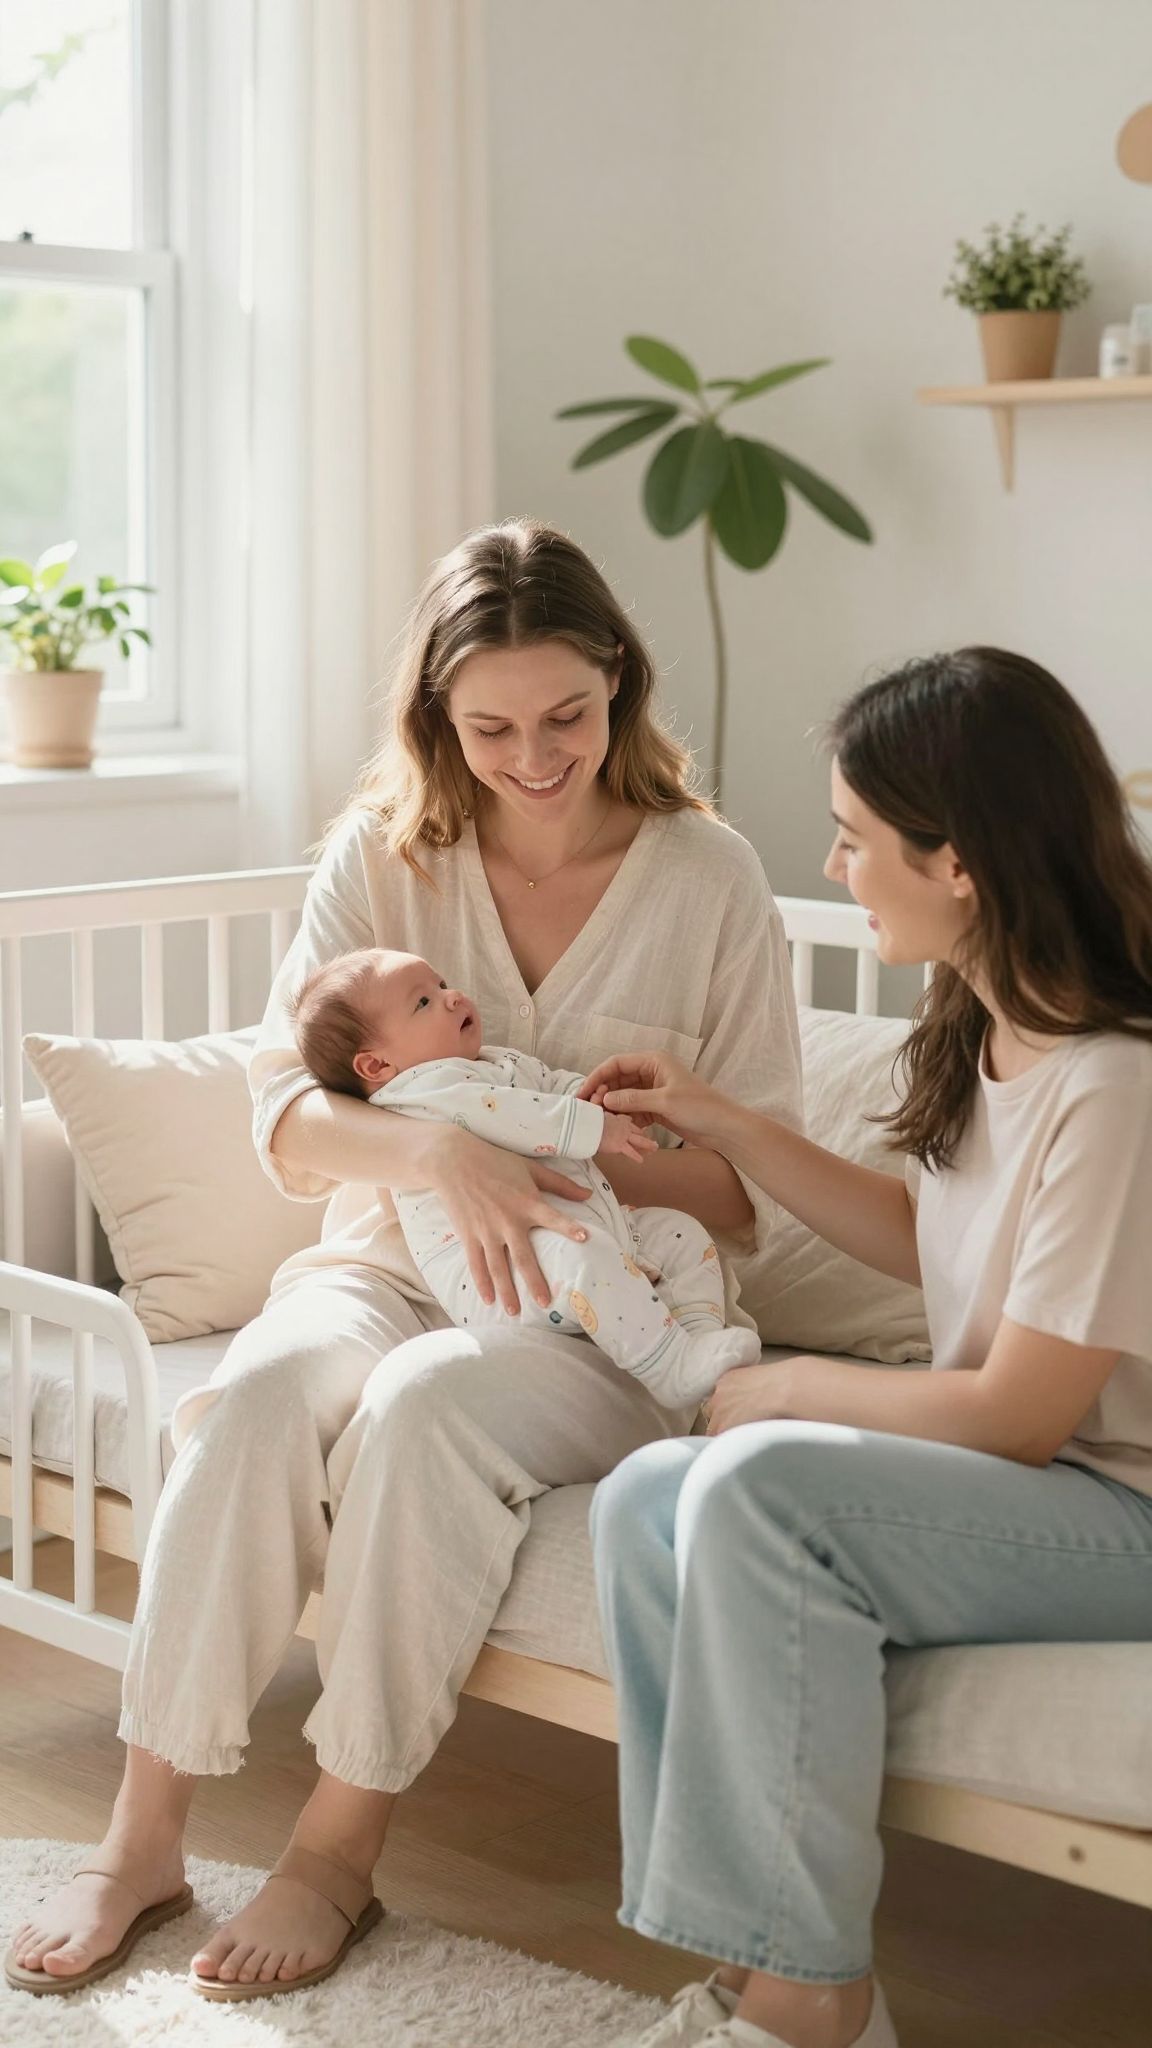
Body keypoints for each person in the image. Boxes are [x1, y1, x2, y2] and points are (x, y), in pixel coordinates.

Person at [4, 520, 801, 2002]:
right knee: (257, 1395)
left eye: (568, 715)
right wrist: (441, 1151)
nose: (535, 758)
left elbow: (755, 1196)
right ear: (439, 716)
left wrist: (573, 1153)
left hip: (594, 1318)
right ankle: (141, 1840)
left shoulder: (710, 880)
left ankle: (332, 1854)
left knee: (427, 1402)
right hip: (379, 1264)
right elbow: (285, 1116)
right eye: (491, 728)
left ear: (620, 682)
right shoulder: (383, 855)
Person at [586, 647, 1152, 2048]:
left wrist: (784, 1386)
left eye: (852, 837)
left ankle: (811, 2002)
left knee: (758, 1484)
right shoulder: (989, 1024)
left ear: (957, 861)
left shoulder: (1116, 1082)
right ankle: (752, 1960)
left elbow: (1021, 1413)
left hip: (1123, 1502)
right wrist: (724, 1121)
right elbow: (934, 1240)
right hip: (1045, 1484)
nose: (834, 867)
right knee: (642, 1497)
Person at [290, 946, 761, 1407]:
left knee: (680, 1232)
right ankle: (670, 1366)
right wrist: (595, 1128)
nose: (452, 997)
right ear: (376, 1065)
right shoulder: (417, 1095)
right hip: (503, 1272)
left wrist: (596, 1098)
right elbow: (513, 1113)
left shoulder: (492, 1062)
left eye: (442, 984)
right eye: (424, 1002)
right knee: (585, 1257)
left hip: (589, 1231)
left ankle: (697, 1340)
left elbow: (547, 1087)